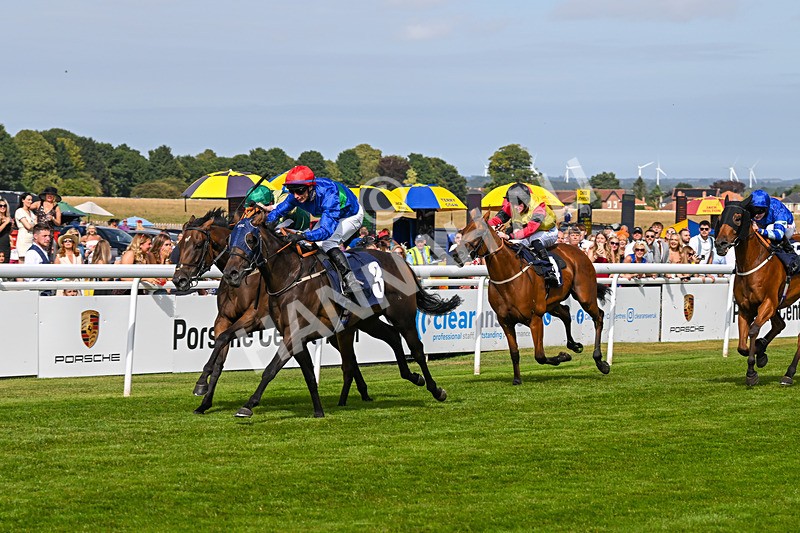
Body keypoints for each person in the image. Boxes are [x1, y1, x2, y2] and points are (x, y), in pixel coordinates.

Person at [266, 165, 365, 297]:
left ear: (310, 186)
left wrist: (302, 235)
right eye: (292, 190)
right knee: (309, 245)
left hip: (350, 215)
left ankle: (351, 280)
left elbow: (326, 231)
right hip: (330, 215)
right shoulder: (295, 195)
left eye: (300, 191)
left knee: (327, 243)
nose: (296, 196)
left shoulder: (328, 193)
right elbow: (278, 211)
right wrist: (268, 223)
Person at [487, 183, 558, 287]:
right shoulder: (511, 204)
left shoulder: (538, 207)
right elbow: (498, 219)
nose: (514, 208)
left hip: (547, 231)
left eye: (518, 204)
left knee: (535, 241)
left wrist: (509, 236)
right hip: (526, 231)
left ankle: (549, 271)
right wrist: (484, 225)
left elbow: (530, 229)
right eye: (513, 204)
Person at [24, 224, 54, 294]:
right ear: (35, 236)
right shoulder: (32, 253)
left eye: (49, 236)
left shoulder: (43, 251)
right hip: (37, 292)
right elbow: (29, 278)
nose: (48, 239)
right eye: (44, 236)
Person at [14, 192, 37, 260]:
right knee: (23, 259)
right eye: (28, 200)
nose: (31, 202)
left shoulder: (31, 212)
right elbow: (28, 226)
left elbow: (36, 223)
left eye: (31, 200)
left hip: (32, 239)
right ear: (23, 200)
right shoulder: (20, 211)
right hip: (24, 240)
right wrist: (35, 224)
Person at [0, 198, 14, 263]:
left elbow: (8, 232)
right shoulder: (6, 220)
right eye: (0, 206)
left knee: (6, 263)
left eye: (4, 205)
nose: (3, 207)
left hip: (6, 244)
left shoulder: (8, 217)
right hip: (0, 243)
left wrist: (11, 226)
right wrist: (5, 223)